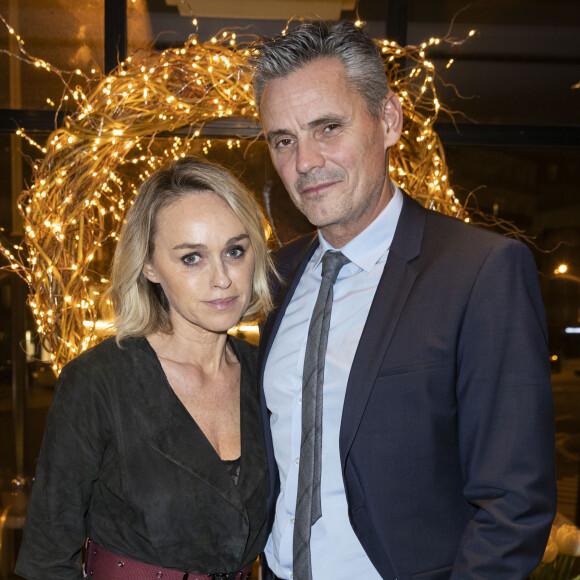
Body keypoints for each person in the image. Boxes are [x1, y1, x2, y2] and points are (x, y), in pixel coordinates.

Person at [249, 20, 557, 580]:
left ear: (387, 120)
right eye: (284, 139)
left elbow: (515, 504)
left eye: (328, 127)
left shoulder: (480, 270)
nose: (306, 162)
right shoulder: (275, 275)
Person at [15, 157, 276, 580]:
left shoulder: (268, 373)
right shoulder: (99, 381)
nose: (223, 278)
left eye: (234, 250)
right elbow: (46, 560)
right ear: (149, 266)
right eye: (192, 258)